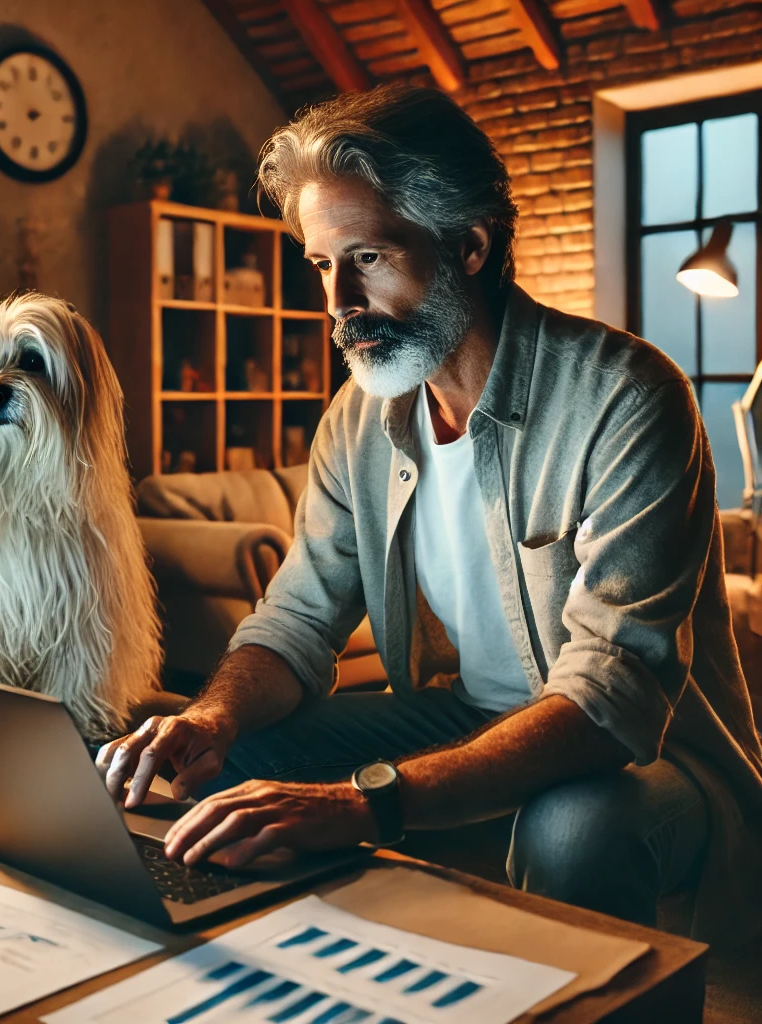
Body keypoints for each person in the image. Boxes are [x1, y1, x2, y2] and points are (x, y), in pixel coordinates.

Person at [100, 85, 762, 942]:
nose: (337, 300)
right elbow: (298, 619)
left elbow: (615, 696)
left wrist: (365, 804)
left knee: (574, 832)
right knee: (223, 768)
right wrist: (210, 716)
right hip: (466, 716)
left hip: (656, 752)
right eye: (320, 265)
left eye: (367, 257)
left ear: (471, 245)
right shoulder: (357, 417)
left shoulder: (626, 398)